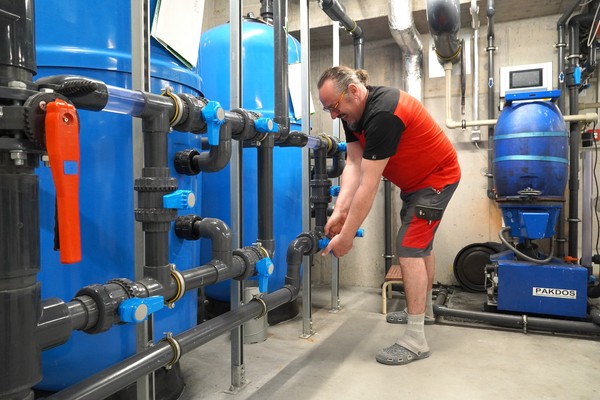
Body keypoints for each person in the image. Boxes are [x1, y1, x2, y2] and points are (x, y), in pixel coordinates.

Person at [318, 66, 460, 366]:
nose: (332, 115)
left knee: (409, 247)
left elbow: (369, 185)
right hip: (415, 183)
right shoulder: (351, 114)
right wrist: (340, 211)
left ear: (353, 91)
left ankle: (415, 340)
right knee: (420, 246)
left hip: (436, 179)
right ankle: (424, 312)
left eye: (334, 107)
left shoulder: (383, 114)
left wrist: (346, 237)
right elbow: (353, 163)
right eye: (328, 109)